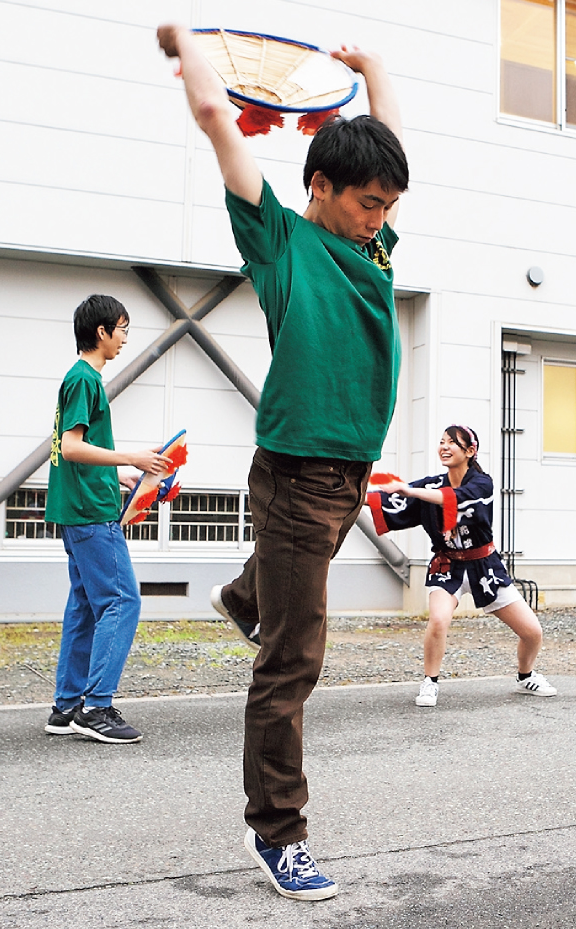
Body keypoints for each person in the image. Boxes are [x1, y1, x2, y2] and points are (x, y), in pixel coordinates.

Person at [158, 24, 408, 901]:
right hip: (300, 472)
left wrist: (373, 70)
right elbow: (210, 117)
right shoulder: (281, 241)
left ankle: (242, 594)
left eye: (387, 204)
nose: (380, 217)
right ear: (320, 187)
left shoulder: (369, 250)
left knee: (283, 595)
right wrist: (184, 42)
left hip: (346, 474)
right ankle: (279, 830)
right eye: (367, 201)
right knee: (292, 659)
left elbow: (388, 151)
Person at [44, 295, 171, 744]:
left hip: (78, 509)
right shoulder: (85, 380)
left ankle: (65, 708)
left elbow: (75, 453)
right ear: (101, 332)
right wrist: (133, 454)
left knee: (84, 606)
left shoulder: (79, 379)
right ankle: (96, 708)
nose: (123, 340)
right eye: (122, 330)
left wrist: (123, 473)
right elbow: (72, 445)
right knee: (122, 601)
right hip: (92, 516)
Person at [366, 426, 557, 707]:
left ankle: (525, 676)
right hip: (447, 566)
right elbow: (391, 500)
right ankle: (430, 682)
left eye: (452, 443)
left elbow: (453, 499)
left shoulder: (482, 484)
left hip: (485, 566)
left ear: (470, 451)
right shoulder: (431, 485)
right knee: (439, 620)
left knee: (532, 632)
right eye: (441, 442)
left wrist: (411, 490)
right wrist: (348, 494)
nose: (444, 447)